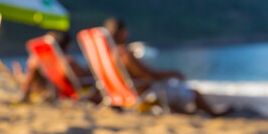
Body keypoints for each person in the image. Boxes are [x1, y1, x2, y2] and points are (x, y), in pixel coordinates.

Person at [103, 17, 231, 116]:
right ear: (122, 32)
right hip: (145, 94)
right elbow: (149, 75)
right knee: (194, 93)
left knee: (173, 94)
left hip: (129, 94)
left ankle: (186, 113)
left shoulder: (108, 56)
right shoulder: (124, 54)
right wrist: (172, 73)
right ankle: (214, 114)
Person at [18, 30, 99, 103]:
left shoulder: (46, 62)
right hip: (75, 92)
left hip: (59, 90)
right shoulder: (67, 62)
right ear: (67, 46)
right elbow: (82, 78)